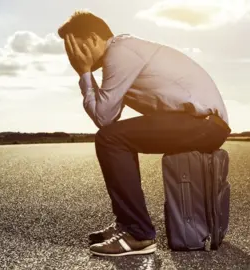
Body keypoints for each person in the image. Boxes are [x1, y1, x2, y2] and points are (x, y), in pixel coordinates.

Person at [57, 10, 231, 257]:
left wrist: (84, 73)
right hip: (201, 123)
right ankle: (127, 225)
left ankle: (137, 234)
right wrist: (87, 75)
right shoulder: (122, 53)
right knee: (113, 136)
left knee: (110, 140)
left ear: (94, 38)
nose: (72, 54)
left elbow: (103, 119)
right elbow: (108, 115)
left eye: (75, 46)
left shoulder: (120, 52)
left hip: (203, 124)